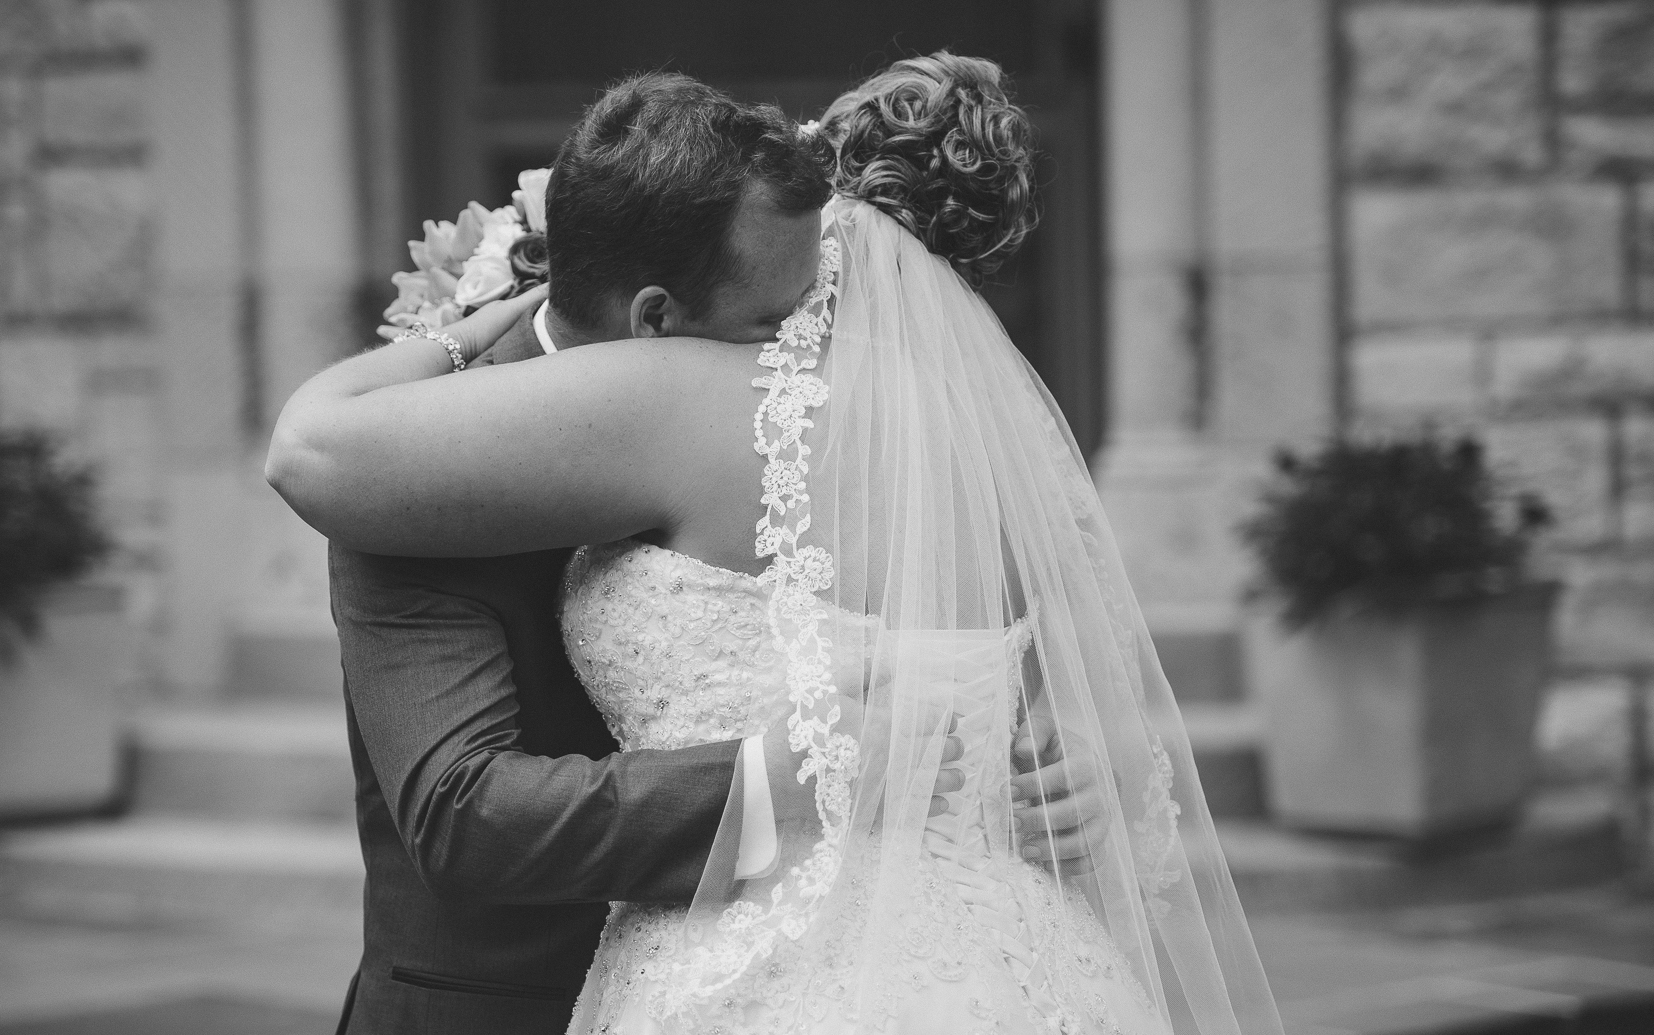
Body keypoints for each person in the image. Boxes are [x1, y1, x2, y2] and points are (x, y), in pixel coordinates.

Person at [272, 55, 1282, 1035]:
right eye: (775, 320)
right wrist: (780, 781)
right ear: (656, 317)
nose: (801, 346)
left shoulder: (808, 422)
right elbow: (462, 813)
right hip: (506, 1003)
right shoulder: (410, 455)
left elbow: (936, 664)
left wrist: (1035, 776)